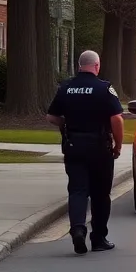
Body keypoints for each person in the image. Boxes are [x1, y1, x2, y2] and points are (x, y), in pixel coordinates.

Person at [46, 50, 124, 255]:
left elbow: (51, 116)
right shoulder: (104, 88)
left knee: (78, 190)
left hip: (74, 147)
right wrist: (118, 145)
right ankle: (98, 238)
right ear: (97, 66)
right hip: (99, 148)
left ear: (79, 65)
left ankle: (78, 229)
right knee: (100, 194)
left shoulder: (66, 88)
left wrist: (65, 126)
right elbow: (117, 118)